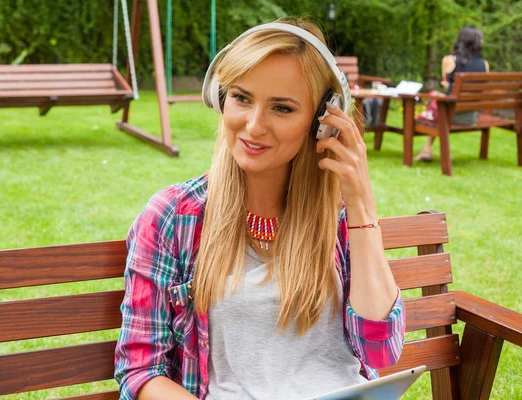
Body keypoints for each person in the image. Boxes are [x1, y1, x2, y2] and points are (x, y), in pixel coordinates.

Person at [114, 17, 405, 400]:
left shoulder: (339, 219)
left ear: (321, 122)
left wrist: (361, 208)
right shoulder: (173, 216)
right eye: (241, 97)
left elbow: (380, 351)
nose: (253, 126)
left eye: (282, 108)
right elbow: (140, 370)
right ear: (221, 98)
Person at [414, 26, 489, 162]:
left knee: (438, 97)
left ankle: (427, 150)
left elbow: (446, 83)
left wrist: (448, 85)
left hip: (450, 116)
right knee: (441, 101)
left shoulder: (449, 60)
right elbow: (480, 89)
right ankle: (426, 149)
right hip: (472, 117)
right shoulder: (485, 64)